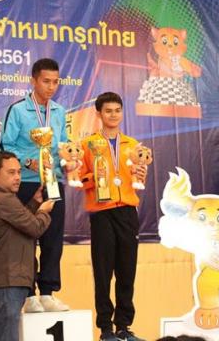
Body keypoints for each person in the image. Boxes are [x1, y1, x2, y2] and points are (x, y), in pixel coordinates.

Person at [0, 58, 69, 312]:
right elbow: (6, 147)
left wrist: (68, 160)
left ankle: (48, 292)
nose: (51, 87)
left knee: (53, 238)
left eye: (55, 82)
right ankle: (29, 295)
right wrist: (28, 162)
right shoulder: (18, 110)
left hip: (53, 182)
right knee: (26, 239)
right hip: (26, 184)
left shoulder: (59, 111)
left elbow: (63, 144)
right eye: (46, 81)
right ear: (33, 81)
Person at [79, 92, 148, 341]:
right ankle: (105, 328)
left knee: (127, 271)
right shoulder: (87, 145)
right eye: (108, 111)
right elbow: (79, 178)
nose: (113, 115)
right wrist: (95, 178)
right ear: (99, 113)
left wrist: (141, 175)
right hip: (101, 212)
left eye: (117, 110)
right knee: (103, 272)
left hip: (127, 211)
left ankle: (124, 327)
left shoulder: (132, 144)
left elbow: (137, 176)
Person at [0, 151, 54, 341]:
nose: (18, 177)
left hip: (5, 284)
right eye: (11, 172)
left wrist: (34, 204)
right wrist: (43, 212)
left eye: (19, 172)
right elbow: (34, 227)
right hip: (5, 284)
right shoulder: (3, 200)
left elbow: (17, 226)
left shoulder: (1, 199)